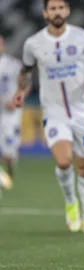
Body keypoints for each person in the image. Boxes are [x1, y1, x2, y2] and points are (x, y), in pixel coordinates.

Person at [12, 0, 84, 242]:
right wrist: (21, 90)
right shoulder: (33, 43)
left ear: (67, 11)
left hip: (82, 112)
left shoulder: (83, 37)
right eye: (52, 8)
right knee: (64, 161)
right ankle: (70, 203)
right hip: (54, 113)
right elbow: (25, 71)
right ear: (46, 13)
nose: (57, 12)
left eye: (61, 7)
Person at [0, 35, 23, 181]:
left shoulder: (13, 64)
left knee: (9, 152)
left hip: (10, 113)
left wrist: (16, 99)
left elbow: (24, 85)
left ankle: (9, 175)